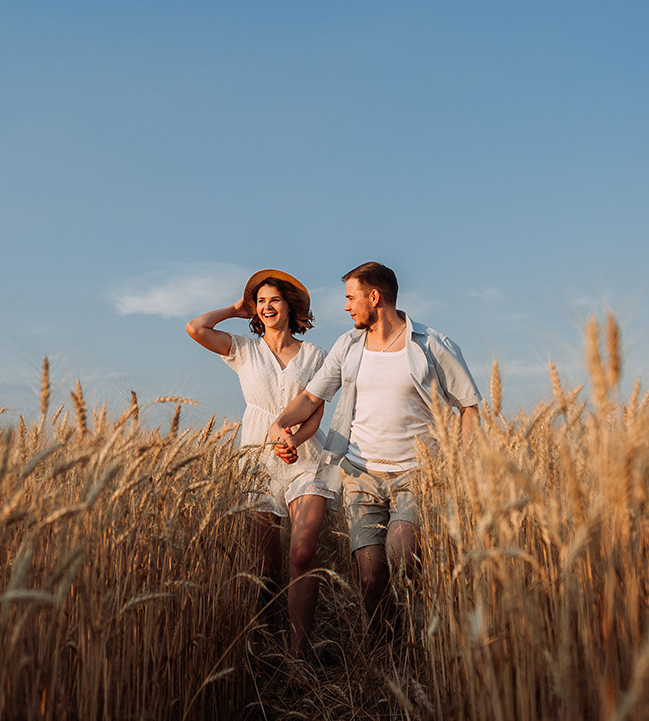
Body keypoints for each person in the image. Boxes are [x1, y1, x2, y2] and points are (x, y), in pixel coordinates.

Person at [272, 261, 480, 638]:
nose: (346, 307)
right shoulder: (348, 347)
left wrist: (459, 463)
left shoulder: (433, 345)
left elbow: (469, 407)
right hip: (360, 475)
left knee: (401, 556)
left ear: (374, 296)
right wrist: (282, 425)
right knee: (370, 577)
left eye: (351, 298)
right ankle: (387, 652)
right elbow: (309, 396)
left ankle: (422, 634)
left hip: (417, 474)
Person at [186, 269, 333, 658]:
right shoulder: (243, 349)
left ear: (290, 306)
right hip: (255, 456)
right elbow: (196, 328)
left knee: (302, 553)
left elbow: (315, 410)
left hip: (305, 454)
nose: (267, 307)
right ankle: (267, 645)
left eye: (275, 300)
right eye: (261, 301)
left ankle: (297, 654)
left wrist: (295, 441)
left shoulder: (316, 355)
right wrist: (236, 308)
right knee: (264, 566)